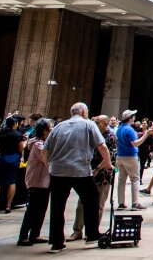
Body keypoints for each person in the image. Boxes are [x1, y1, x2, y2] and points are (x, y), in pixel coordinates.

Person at [43, 103, 113, 252]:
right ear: (83, 112)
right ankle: (92, 235)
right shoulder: (88, 125)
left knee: (57, 206)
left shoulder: (58, 126)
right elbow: (102, 146)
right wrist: (108, 164)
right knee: (91, 201)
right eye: (86, 111)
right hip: (79, 169)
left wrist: (49, 166)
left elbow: (45, 150)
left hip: (57, 171)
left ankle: (56, 242)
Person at [69, 115, 116, 241]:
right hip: (87, 173)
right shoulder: (90, 134)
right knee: (81, 204)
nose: (94, 124)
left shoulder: (110, 136)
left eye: (97, 122)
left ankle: (93, 231)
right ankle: (77, 231)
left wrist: (97, 169)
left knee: (98, 205)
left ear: (105, 123)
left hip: (103, 175)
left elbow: (109, 156)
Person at [17, 119, 52, 246]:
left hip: (45, 181)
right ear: (44, 131)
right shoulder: (38, 145)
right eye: (50, 128)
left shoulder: (43, 143)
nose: (52, 130)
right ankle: (23, 236)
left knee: (42, 209)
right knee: (32, 209)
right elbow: (47, 160)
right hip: (37, 181)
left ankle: (35, 234)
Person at [115, 109, 151, 210]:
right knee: (135, 179)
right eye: (133, 116)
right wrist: (146, 134)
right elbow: (135, 143)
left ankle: (121, 203)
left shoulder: (120, 128)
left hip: (120, 156)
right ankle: (135, 203)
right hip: (130, 156)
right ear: (130, 118)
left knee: (121, 180)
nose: (134, 118)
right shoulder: (129, 129)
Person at [0, 116, 26, 214]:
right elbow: (21, 147)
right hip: (13, 158)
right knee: (11, 181)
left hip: (2, 157)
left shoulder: (1, 133)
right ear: (15, 124)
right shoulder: (18, 134)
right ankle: (8, 205)